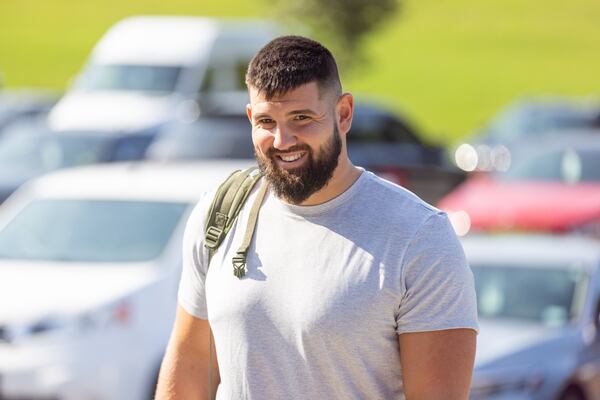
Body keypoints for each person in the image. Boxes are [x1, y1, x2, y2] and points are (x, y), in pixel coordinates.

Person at [156, 35, 478, 400]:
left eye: (302, 118)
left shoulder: (418, 239)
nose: (282, 140)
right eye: (266, 121)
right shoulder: (220, 213)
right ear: (250, 117)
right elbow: (190, 369)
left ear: (344, 114)